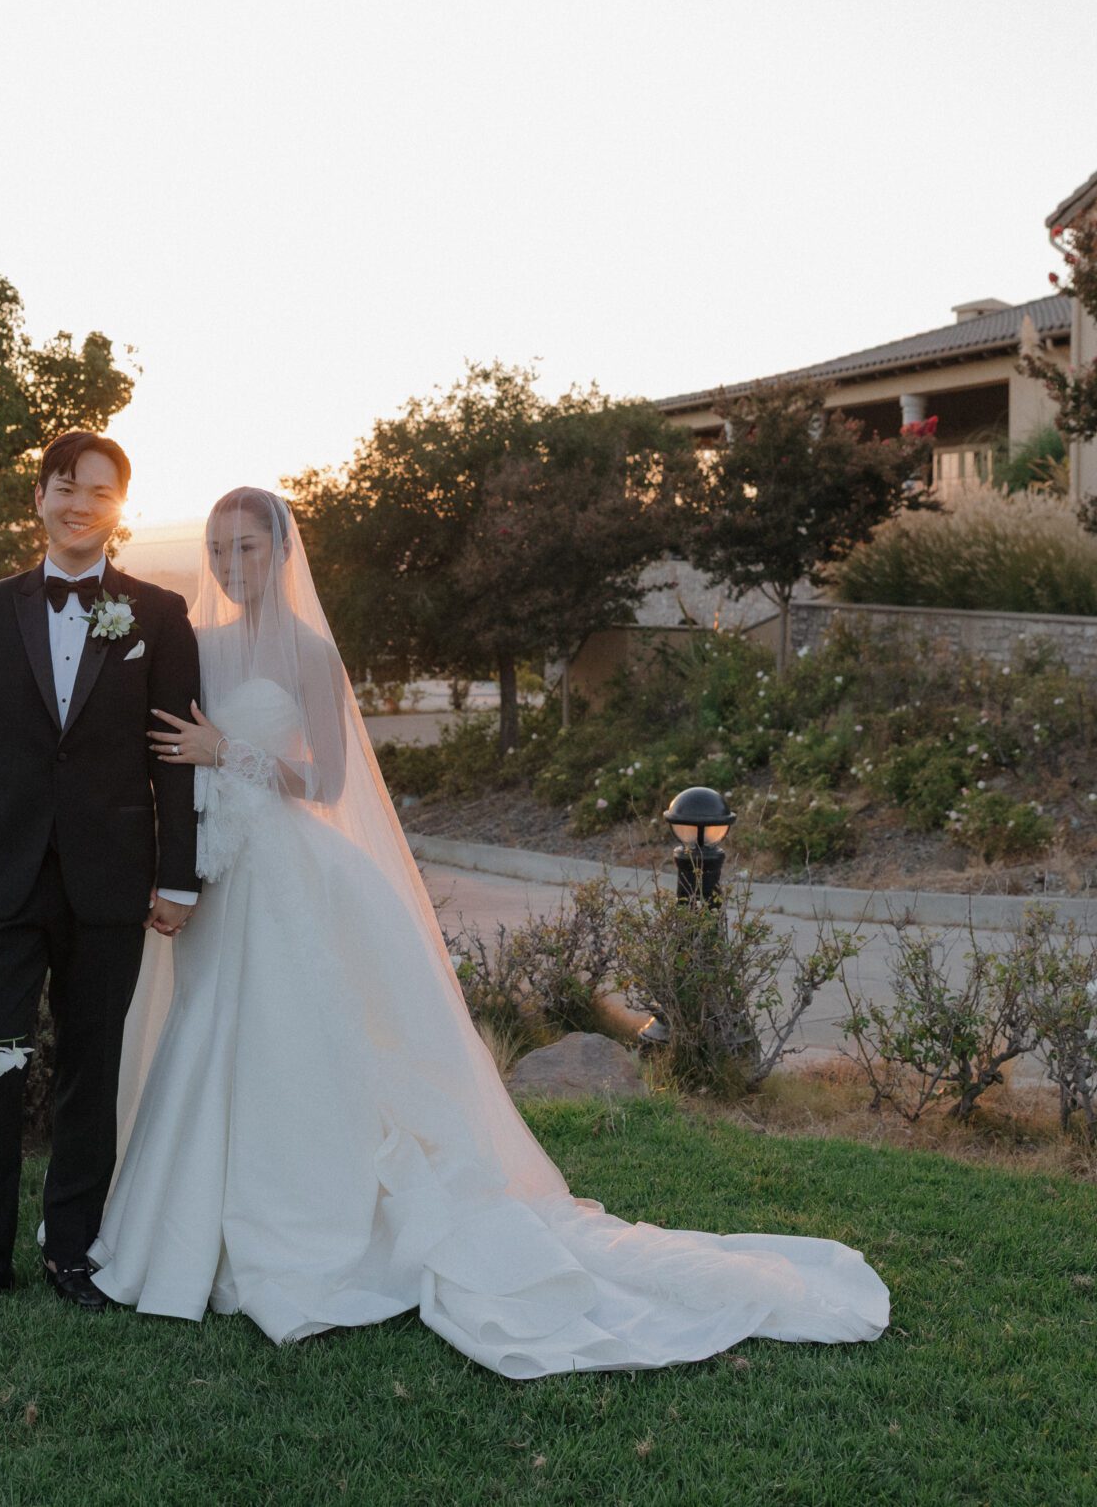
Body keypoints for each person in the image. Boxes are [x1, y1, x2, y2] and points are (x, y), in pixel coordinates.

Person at [87, 485, 889, 1378]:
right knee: (209, 1030)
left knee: (297, 1036)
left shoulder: (311, 652)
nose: (232, 566)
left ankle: (313, 1224)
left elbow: (325, 781)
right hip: (222, 872)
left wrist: (226, 754)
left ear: (280, 553)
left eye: (248, 549)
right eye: (218, 548)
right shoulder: (194, 645)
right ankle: (187, 1214)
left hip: (287, 874)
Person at [0, 430, 203, 1314]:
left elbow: (175, 759)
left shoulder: (159, 613)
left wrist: (179, 877)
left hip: (112, 881)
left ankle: (73, 1252)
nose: (82, 504)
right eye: (66, 487)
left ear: (122, 507)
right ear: (39, 497)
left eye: (101, 491)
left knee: (91, 1067)